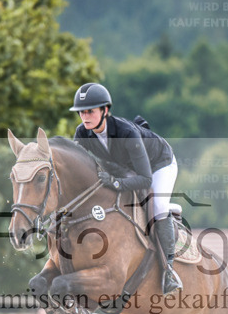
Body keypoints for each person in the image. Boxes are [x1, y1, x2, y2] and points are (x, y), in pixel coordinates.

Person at [69, 82, 182, 294]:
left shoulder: (126, 133)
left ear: (105, 111)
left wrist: (115, 182)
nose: (85, 117)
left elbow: (145, 180)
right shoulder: (82, 134)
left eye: (90, 111)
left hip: (159, 164)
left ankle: (169, 271)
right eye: (81, 112)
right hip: (125, 168)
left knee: (156, 204)